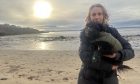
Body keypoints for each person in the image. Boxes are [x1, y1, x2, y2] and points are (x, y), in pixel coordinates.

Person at [77, 3, 135, 84]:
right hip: (88, 78)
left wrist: (117, 55)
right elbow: (84, 56)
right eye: (93, 14)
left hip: (109, 79)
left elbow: (130, 51)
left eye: (99, 14)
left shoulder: (113, 32)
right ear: (89, 17)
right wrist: (109, 67)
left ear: (104, 15)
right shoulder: (85, 33)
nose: (97, 17)